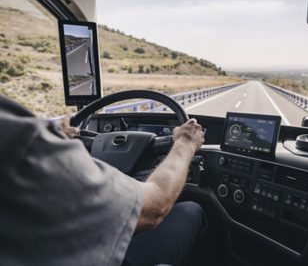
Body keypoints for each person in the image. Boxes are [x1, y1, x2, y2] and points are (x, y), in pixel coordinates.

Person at [0, 95, 207, 266]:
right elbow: (154, 207)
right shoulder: (22, 143)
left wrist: (55, 139)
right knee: (191, 210)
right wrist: (186, 142)